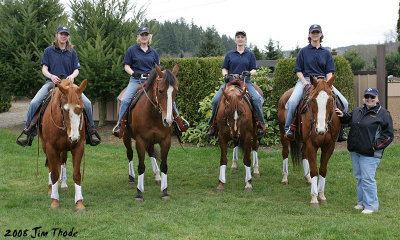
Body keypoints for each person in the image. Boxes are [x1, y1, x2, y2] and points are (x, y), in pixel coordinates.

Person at [16, 25, 100, 147]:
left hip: (69, 85)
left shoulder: (72, 52)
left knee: (86, 103)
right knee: (34, 103)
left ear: (68, 37)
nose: (63, 36)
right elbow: (44, 69)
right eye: (61, 34)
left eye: (66, 34)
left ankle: (90, 132)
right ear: (57, 35)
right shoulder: (48, 51)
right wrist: (51, 76)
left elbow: (77, 70)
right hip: (52, 84)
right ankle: (28, 133)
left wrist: (72, 75)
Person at [112, 27, 188, 137]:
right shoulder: (131, 50)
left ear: (149, 37)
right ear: (138, 36)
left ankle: (178, 122)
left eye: (146, 35)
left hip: (152, 80)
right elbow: (126, 66)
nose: (144, 37)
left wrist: (165, 74)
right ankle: (120, 125)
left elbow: (159, 68)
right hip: (136, 80)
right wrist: (133, 73)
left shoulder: (154, 52)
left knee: (168, 96)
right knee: (125, 100)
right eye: (142, 35)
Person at [284, 24, 348, 141]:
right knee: (292, 102)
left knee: (345, 103)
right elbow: (298, 70)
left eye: (317, 32)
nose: (315, 34)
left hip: (323, 81)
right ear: (309, 35)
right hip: (307, 81)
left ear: (321, 34)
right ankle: (289, 129)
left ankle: (341, 131)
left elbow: (329, 71)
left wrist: (329, 84)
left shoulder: (326, 53)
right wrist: (303, 81)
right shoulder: (303, 51)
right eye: (313, 32)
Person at [336, 87, 393, 214]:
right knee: (360, 178)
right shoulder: (358, 110)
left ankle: (371, 206)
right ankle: (361, 203)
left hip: (370, 153)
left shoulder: (383, 114)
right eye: (367, 96)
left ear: (377, 98)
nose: (369, 99)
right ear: (364, 98)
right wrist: (342, 115)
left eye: (372, 97)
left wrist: (376, 146)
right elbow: (349, 120)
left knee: (367, 179)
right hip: (355, 151)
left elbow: (388, 135)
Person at [207, 30, 265, 137]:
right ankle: (212, 125)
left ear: (245, 40)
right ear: (235, 40)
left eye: (242, 37)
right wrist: (225, 75)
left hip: (245, 81)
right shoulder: (229, 54)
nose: (240, 39)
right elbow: (224, 68)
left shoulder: (250, 54)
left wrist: (249, 73)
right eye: (238, 37)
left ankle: (260, 124)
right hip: (230, 82)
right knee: (215, 101)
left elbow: (254, 70)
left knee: (256, 99)